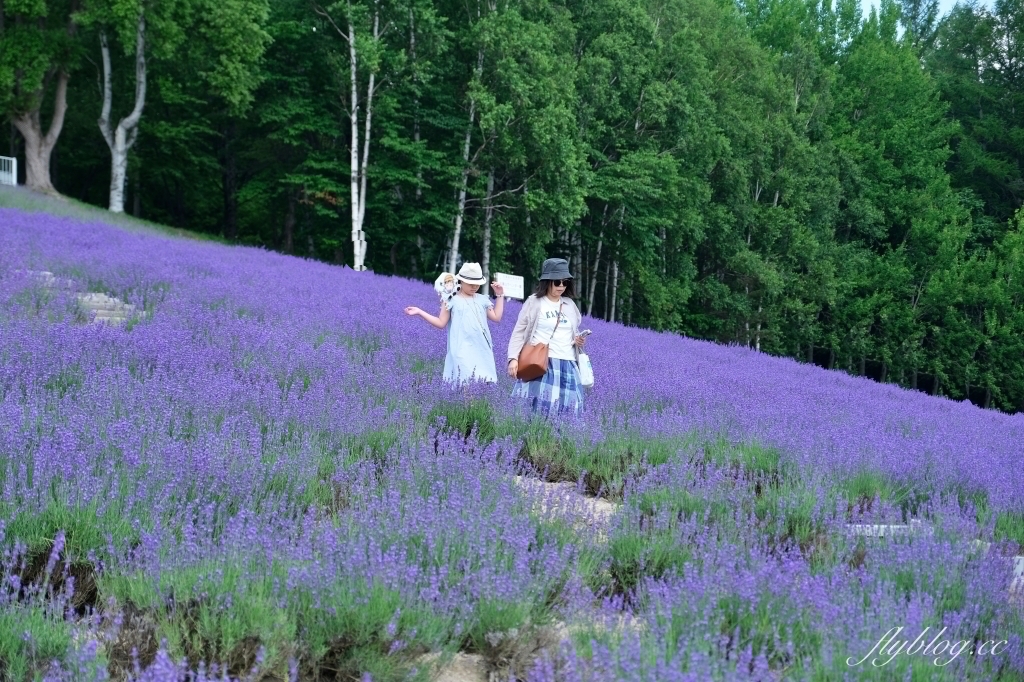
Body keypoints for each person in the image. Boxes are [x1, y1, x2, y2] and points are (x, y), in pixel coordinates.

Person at [507, 258, 588, 415]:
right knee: (536, 412)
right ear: (547, 281)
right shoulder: (535, 302)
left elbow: (572, 331)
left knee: (569, 414)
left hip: (568, 363)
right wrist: (513, 358)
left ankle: (559, 441)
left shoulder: (570, 305)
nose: (562, 286)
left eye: (565, 282)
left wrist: (578, 340)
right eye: (557, 282)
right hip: (542, 363)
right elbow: (519, 332)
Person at [405, 262, 505, 385]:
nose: (474, 287)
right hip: (461, 348)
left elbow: (496, 317)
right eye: (470, 283)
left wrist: (500, 295)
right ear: (461, 281)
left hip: (481, 348)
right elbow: (441, 322)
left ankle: (479, 404)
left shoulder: (482, 299)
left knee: (484, 383)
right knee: (464, 382)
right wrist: (420, 312)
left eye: (477, 284)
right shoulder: (451, 300)